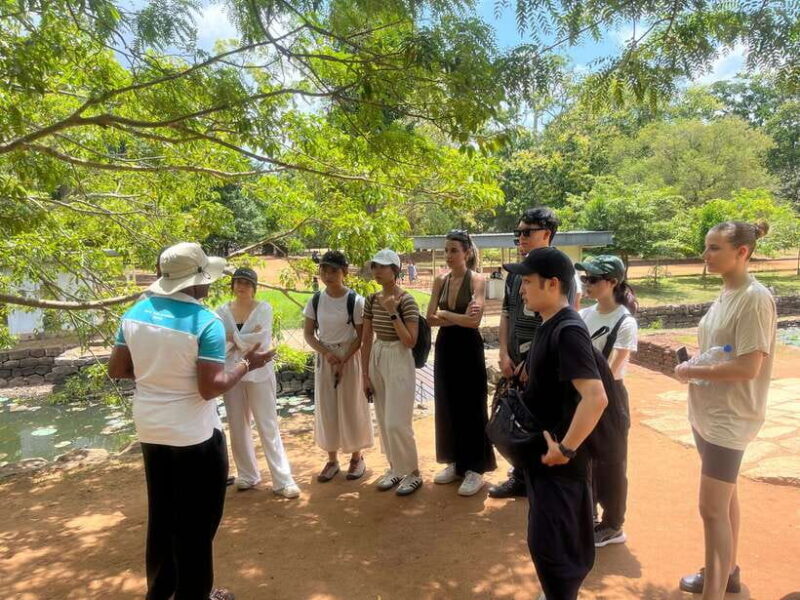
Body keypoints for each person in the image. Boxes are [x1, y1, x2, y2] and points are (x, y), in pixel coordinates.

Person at [108, 242, 275, 600]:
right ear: (196, 282)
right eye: (206, 279)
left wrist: (160, 374)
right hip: (195, 436)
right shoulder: (205, 322)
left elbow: (118, 369)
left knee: (163, 514)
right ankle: (196, 593)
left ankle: (161, 591)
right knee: (198, 523)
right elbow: (209, 387)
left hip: (151, 429)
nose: (211, 285)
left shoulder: (135, 313)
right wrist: (248, 364)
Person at [674, 221, 777, 600]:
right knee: (726, 500)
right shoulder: (727, 292)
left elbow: (749, 366)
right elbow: (723, 350)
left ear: (742, 252)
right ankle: (726, 573)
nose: (706, 256)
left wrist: (691, 370)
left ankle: (713, 592)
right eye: (706, 247)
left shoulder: (754, 297)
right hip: (708, 413)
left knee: (711, 510)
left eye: (715, 248)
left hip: (729, 420)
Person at [503, 247, 608, 600]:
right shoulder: (549, 324)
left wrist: (565, 449)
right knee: (546, 539)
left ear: (552, 284)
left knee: (557, 546)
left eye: (527, 281)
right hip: (546, 461)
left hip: (561, 464)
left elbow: (596, 397)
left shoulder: (568, 331)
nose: (521, 289)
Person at [486, 206, 584, 499]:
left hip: (542, 363)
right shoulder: (517, 273)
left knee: (541, 422)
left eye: (527, 232)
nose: (521, 238)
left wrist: (533, 361)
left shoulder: (562, 273)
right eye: (518, 233)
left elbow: (566, 318)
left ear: (547, 234)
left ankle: (540, 476)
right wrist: (504, 352)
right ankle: (522, 473)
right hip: (514, 361)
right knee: (515, 419)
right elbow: (506, 313)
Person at [216, 267, 300, 499]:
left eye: (246, 282)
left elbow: (260, 341)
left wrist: (233, 338)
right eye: (238, 282)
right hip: (232, 372)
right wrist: (243, 339)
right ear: (232, 285)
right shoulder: (221, 311)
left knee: (267, 423)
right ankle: (247, 474)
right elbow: (220, 343)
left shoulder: (264, 308)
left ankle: (283, 479)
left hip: (259, 373)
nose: (241, 286)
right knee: (236, 424)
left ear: (254, 287)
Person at [575, 255, 639, 548]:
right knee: (584, 458)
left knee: (611, 463)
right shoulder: (585, 315)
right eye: (585, 278)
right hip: (584, 395)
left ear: (612, 282)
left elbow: (612, 370)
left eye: (593, 279)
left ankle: (613, 523)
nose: (587, 284)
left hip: (610, 398)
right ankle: (587, 517)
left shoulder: (625, 322)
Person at [427, 230, 496, 496]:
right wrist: (454, 315)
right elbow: (429, 317)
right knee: (447, 402)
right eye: (446, 250)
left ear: (466, 252)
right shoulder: (439, 280)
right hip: (446, 347)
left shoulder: (477, 279)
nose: (448, 256)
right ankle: (455, 463)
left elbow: (474, 322)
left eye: (454, 250)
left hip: (468, 347)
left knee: (472, 404)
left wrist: (444, 313)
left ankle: (475, 468)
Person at [302, 250, 374, 482]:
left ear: (344, 272)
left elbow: (360, 337)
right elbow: (309, 334)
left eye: (333, 270)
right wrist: (327, 354)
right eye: (324, 269)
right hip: (326, 357)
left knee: (351, 404)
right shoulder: (315, 300)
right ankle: (332, 459)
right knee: (327, 407)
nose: (328, 274)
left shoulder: (355, 300)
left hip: (349, 357)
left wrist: (343, 359)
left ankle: (356, 457)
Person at [361, 248, 423, 496]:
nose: (377, 271)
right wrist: (365, 374)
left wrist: (392, 312)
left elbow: (410, 341)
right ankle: (396, 467)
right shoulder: (371, 299)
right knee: (384, 418)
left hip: (398, 356)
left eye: (382, 266)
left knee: (397, 421)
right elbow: (366, 338)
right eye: (375, 266)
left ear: (395, 270)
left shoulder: (406, 300)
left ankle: (413, 472)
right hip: (378, 353)